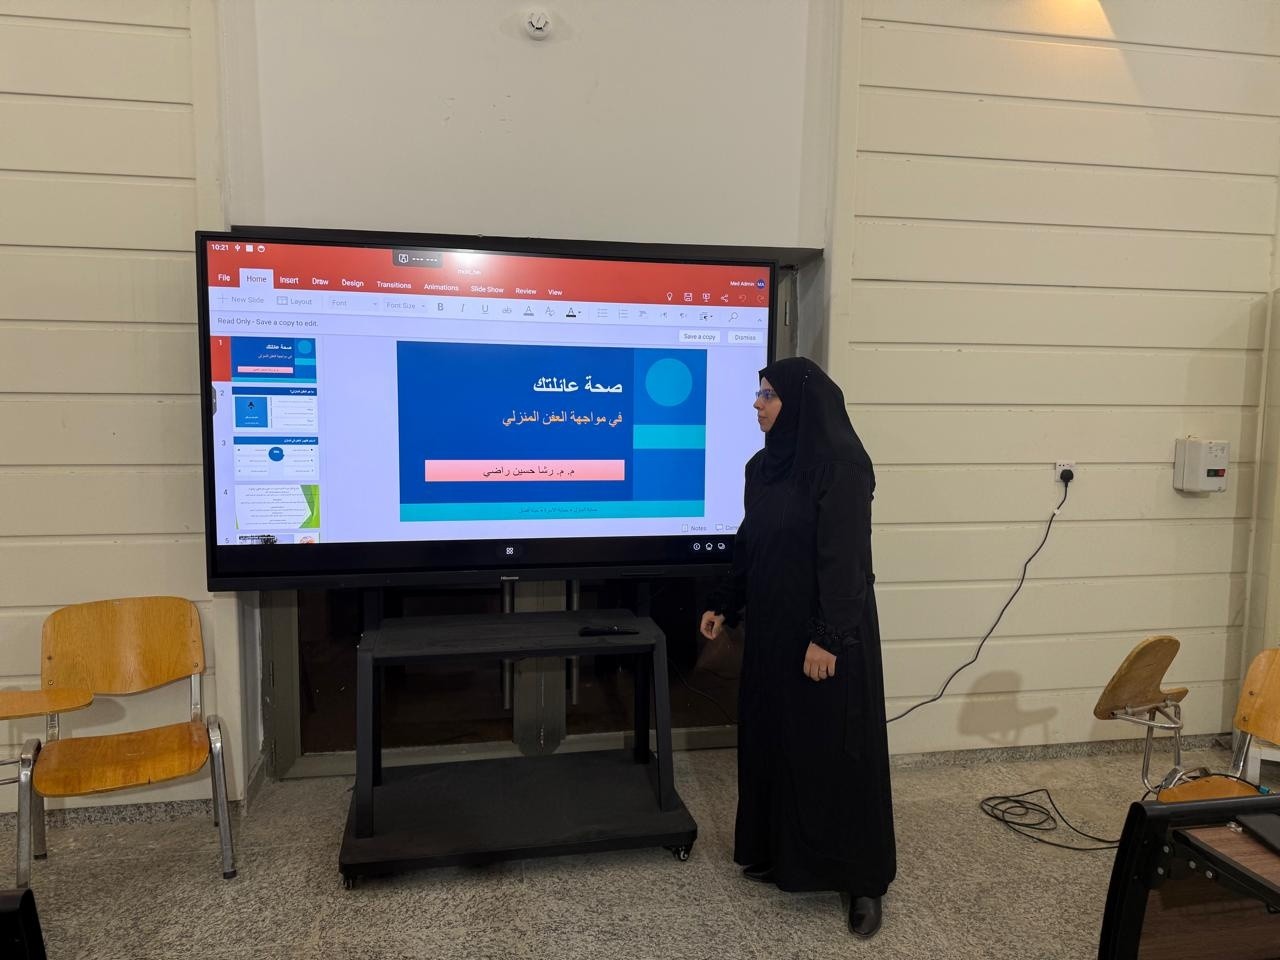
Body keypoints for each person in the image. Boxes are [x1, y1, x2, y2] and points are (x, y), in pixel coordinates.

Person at [699, 356, 895, 938]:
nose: (757, 404)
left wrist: (827, 637)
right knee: (777, 742)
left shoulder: (841, 468)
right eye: (758, 393)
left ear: (801, 404)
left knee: (836, 751)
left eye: (768, 394)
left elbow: (846, 560)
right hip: (772, 632)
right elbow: (751, 541)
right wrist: (725, 601)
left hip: (827, 635)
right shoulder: (762, 467)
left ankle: (861, 879)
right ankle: (783, 856)